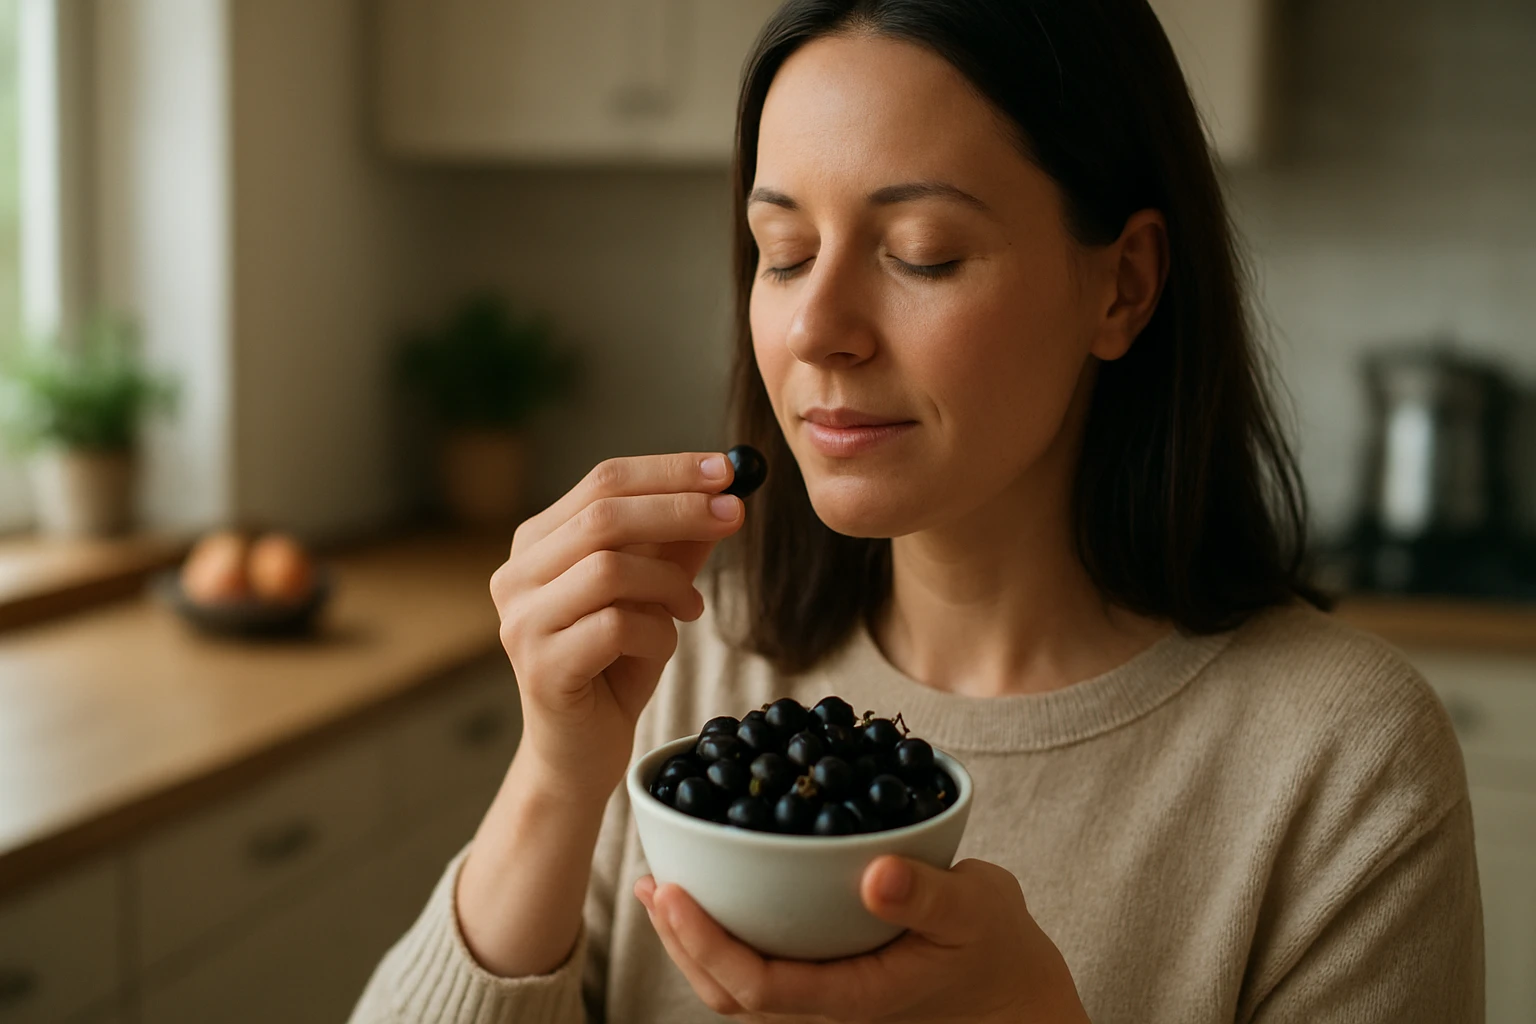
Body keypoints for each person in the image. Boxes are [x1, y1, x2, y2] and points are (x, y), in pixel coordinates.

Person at [350, 1, 1483, 1020]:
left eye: (921, 255)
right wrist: (555, 775)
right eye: (782, 252)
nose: (816, 330)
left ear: (1123, 285)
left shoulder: (1342, 761)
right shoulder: (690, 662)